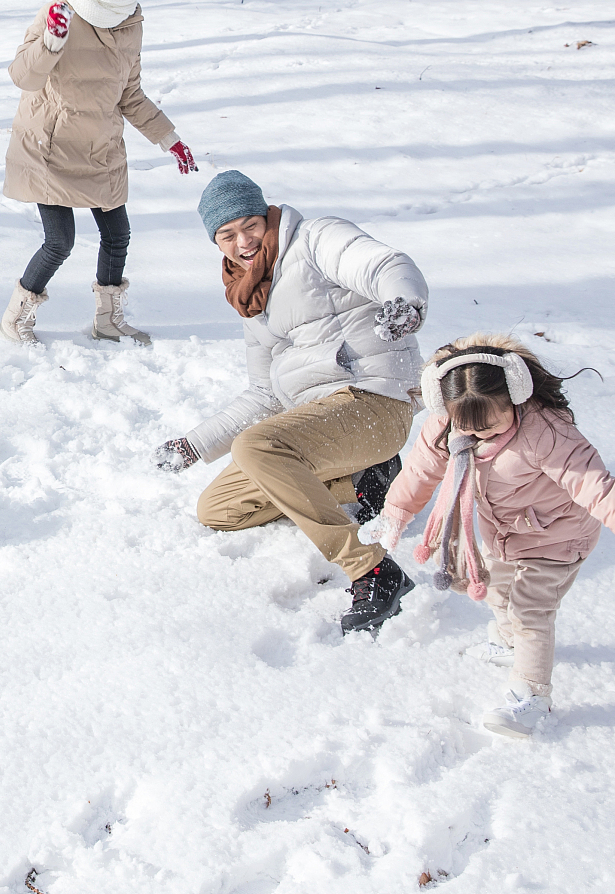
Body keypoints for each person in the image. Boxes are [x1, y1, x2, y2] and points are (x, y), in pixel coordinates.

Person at [361, 335, 615, 740]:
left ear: (517, 395)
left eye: (489, 425)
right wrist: (397, 511)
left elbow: (597, 486)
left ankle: (533, 696)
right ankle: (509, 645)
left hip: (558, 539)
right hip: (502, 534)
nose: (476, 434)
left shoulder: (546, 432)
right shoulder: (448, 421)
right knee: (497, 592)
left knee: (529, 612)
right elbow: (421, 468)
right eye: (465, 426)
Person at [155, 169, 428, 634]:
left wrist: (403, 301)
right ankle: (362, 481)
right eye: (227, 234)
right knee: (217, 509)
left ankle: (371, 571)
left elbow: (384, 265)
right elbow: (265, 393)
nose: (242, 242)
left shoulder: (315, 240)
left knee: (259, 447)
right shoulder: (251, 301)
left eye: (250, 226)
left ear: (267, 217)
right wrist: (195, 445)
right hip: (317, 420)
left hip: (372, 401)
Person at [0, 0, 198, 346]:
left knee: (117, 235)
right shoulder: (62, 9)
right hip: (49, 147)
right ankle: (16, 318)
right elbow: (23, 76)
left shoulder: (131, 22)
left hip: (101, 147)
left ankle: (107, 320)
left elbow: (130, 95)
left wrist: (170, 138)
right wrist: (52, 41)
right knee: (60, 242)